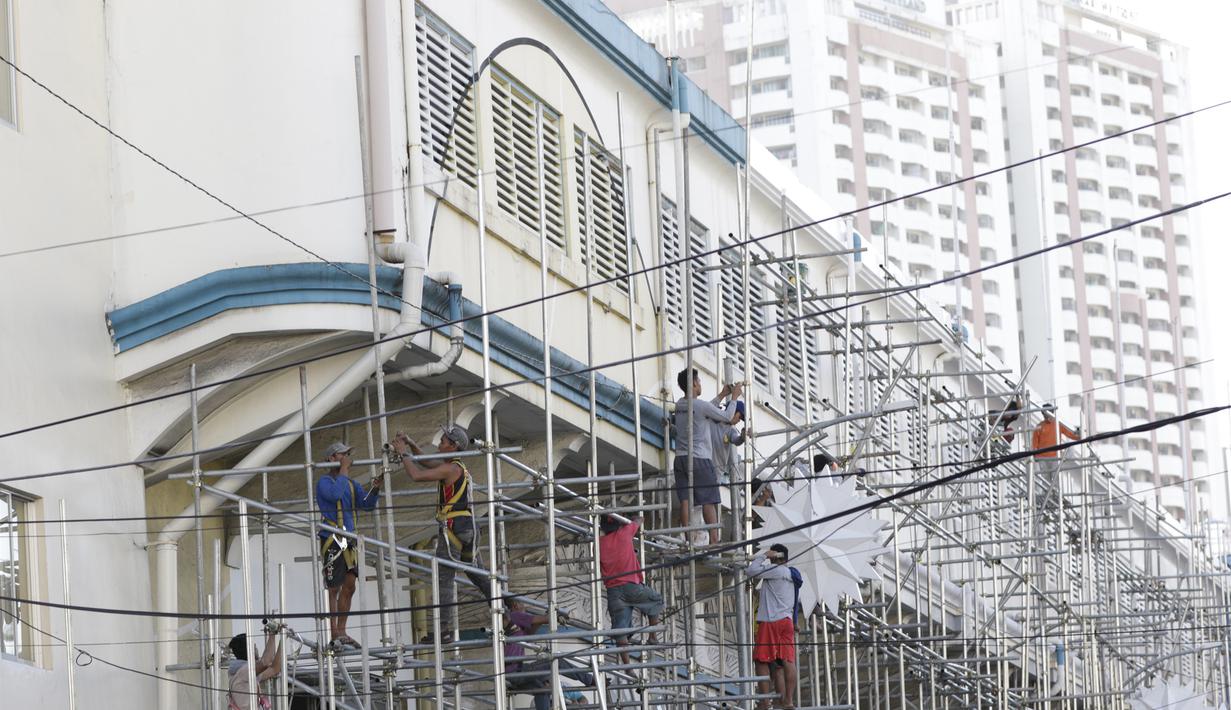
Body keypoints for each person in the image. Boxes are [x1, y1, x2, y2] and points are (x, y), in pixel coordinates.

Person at [392, 424, 491, 640]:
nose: (439, 444)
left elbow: (417, 475)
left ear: (454, 447)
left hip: (454, 528)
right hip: (468, 528)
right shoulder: (457, 468)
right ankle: (509, 610)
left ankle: (443, 630)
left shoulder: (450, 469)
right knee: (479, 575)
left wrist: (401, 454)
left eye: (444, 441)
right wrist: (410, 445)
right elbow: (425, 461)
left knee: (445, 577)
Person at [315, 441, 381, 647]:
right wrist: (343, 470)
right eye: (342, 455)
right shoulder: (324, 482)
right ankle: (334, 631)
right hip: (331, 537)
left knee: (350, 585)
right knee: (333, 586)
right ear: (331, 458)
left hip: (349, 539)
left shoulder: (351, 484)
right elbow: (334, 494)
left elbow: (366, 505)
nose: (347, 459)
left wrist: (375, 489)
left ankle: (342, 630)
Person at [673, 368, 742, 545]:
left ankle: (688, 539)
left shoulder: (680, 405)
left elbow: (703, 411)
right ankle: (713, 539)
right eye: (700, 381)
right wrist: (733, 397)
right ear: (694, 383)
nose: (701, 384)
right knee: (708, 500)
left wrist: (721, 395)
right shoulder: (699, 405)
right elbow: (726, 415)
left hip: (680, 458)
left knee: (685, 500)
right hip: (700, 459)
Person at [504, 597, 593, 709]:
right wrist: (555, 615)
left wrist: (545, 618)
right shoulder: (515, 615)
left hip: (512, 672)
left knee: (543, 690)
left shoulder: (516, 626)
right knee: (556, 661)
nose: (525, 608)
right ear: (516, 605)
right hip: (515, 670)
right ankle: (590, 679)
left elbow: (530, 633)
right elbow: (543, 619)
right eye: (523, 604)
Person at [599, 514, 663, 663]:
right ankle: (653, 637)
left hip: (613, 591)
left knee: (620, 629)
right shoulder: (624, 533)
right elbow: (640, 519)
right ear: (619, 524)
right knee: (656, 600)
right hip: (631, 585)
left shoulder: (599, 543)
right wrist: (631, 518)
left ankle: (627, 665)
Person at [746, 544, 798, 710]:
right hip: (787, 621)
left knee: (761, 660)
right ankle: (788, 701)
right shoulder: (792, 574)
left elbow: (751, 571)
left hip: (771, 621)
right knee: (787, 661)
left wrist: (763, 556)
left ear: (777, 555)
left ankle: (765, 702)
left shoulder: (776, 571)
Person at [227, 627, 283, 710]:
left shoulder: (246, 672)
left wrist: (282, 641)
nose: (256, 649)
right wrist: (272, 634)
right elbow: (266, 662)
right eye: (254, 646)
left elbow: (275, 669)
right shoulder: (243, 671)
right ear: (249, 650)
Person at [1031, 403, 1080, 474]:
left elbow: (1070, 434)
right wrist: (1035, 456)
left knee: (1056, 478)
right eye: (1044, 413)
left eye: (1047, 413)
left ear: (1052, 412)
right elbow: (1035, 443)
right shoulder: (1039, 426)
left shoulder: (1058, 424)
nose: (1045, 415)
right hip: (1042, 457)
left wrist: (1080, 436)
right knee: (1045, 479)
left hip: (1055, 456)